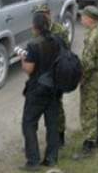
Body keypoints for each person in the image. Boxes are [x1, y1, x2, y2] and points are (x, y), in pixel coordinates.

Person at [20, 11, 62, 170]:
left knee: (28, 124)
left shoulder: (33, 45)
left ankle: (33, 161)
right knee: (52, 124)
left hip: (37, 90)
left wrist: (23, 60)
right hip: (55, 89)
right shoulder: (57, 40)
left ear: (35, 27)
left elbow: (29, 69)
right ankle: (51, 158)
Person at [73, 5, 98, 160]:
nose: (81, 19)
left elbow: (87, 62)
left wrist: (81, 77)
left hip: (90, 77)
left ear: (90, 19)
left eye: (83, 16)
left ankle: (89, 144)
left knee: (88, 109)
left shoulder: (92, 36)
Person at [33, 4, 69, 146]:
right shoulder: (39, 30)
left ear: (49, 13)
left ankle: (60, 136)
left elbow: (64, 51)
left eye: (44, 13)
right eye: (39, 14)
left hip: (56, 73)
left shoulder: (59, 30)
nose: (42, 16)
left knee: (56, 106)